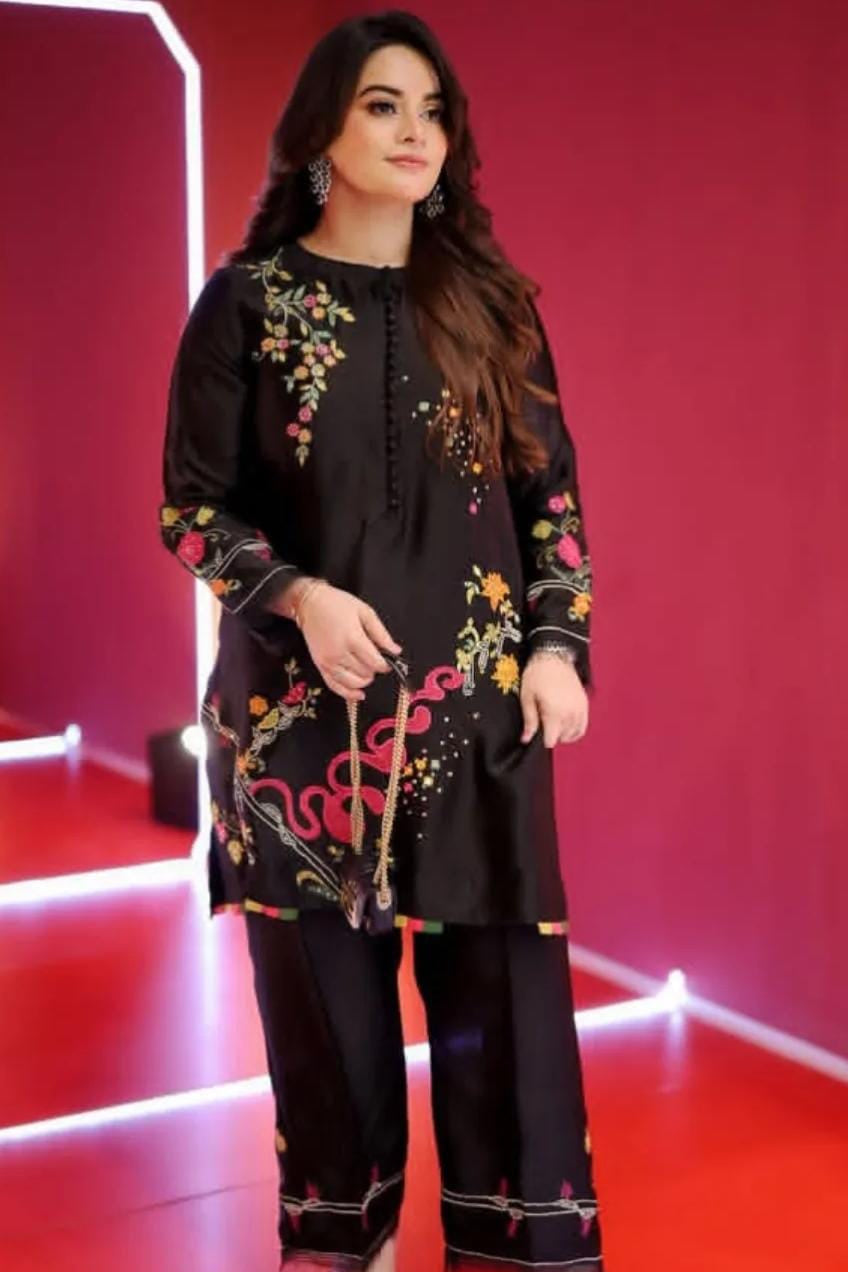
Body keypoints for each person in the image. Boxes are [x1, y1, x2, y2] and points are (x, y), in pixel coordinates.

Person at [158, 10, 603, 1270]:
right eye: (381, 105)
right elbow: (191, 511)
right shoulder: (245, 305)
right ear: (321, 131)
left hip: (479, 734)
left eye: (432, 111)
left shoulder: (492, 308)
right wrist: (297, 597)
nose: (416, 133)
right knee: (331, 1079)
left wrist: (556, 648)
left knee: (510, 1064)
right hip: (299, 747)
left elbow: (551, 503)